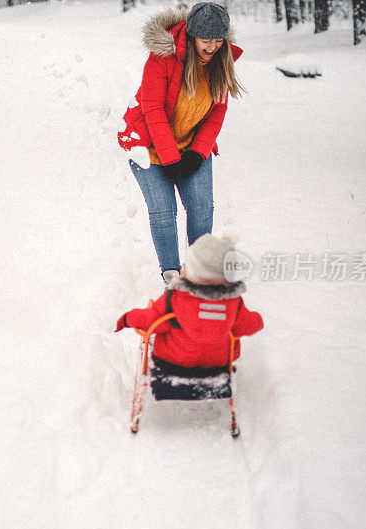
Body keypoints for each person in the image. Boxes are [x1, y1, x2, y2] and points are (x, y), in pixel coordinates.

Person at [118, 3, 244, 286]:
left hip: (190, 145)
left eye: (217, 40)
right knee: (164, 211)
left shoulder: (222, 61)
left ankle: (199, 271)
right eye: (205, 40)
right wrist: (170, 157)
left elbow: (217, 112)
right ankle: (172, 275)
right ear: (191, 36)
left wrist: (197, 154)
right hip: (148, 144)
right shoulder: (163, 57)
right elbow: (152, 108)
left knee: (201, 206)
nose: (212, 47)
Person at [115, 234, 263, 373]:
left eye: (187, 265)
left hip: (173, 363)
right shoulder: (233, 304)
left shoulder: (174, 299)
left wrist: (127, 319)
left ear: (198, 274)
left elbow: (150, 320)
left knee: (161, 326)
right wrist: (258, 319)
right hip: (217, 365)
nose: (183, 267)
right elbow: (249, 325)